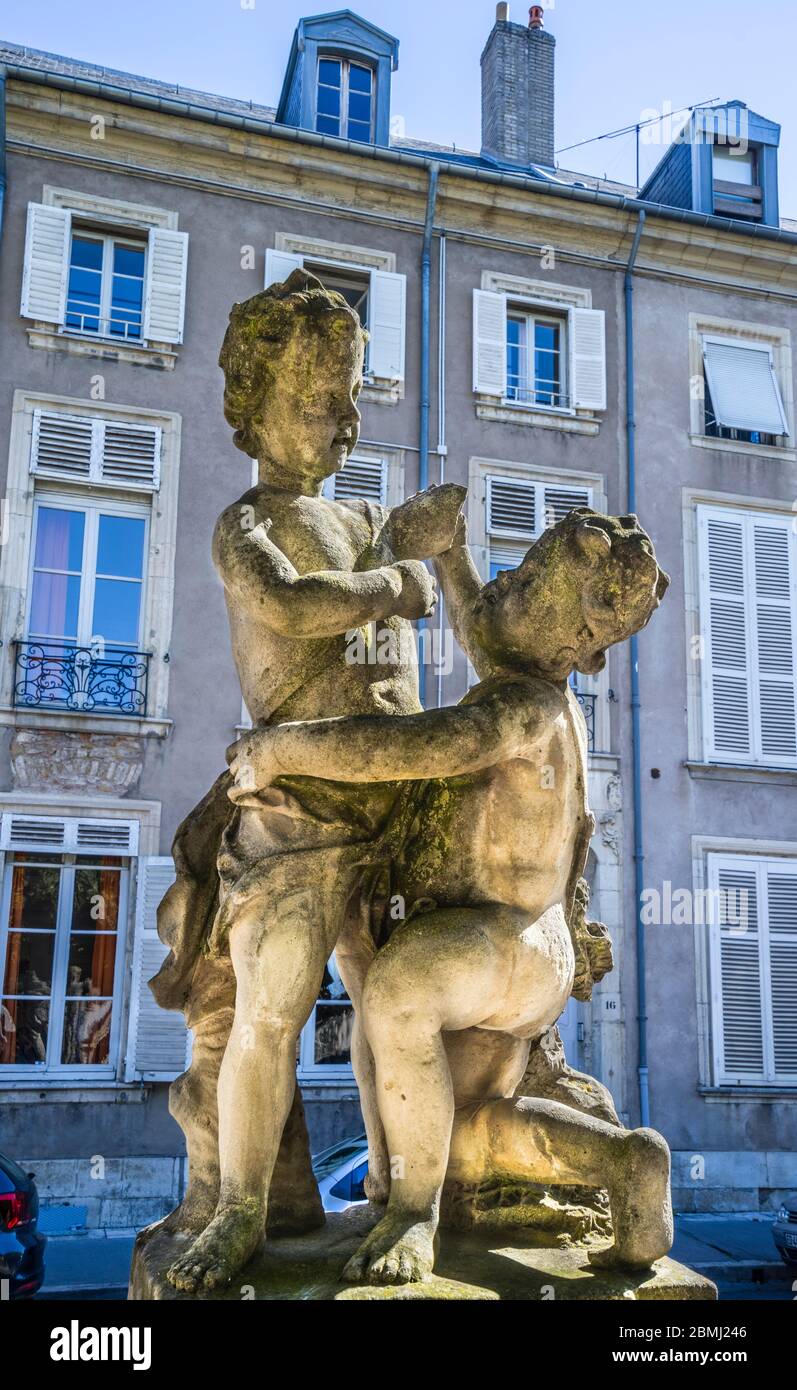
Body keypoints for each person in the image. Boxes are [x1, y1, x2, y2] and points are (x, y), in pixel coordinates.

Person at [228, 509, 674, 1284]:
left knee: (398, 995)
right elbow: (483, 628)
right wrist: (453, 550)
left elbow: (412, 748)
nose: (504, 583)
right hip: (507, 951)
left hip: (505, 941)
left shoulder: (521, 709)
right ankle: (624, 1163)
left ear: (577, 643)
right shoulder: (529, 681)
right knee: (468, 1131)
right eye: (514, 568)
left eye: (529, 582)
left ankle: (410, 1211)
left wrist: (279, 749)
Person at [162, 269, 464, 1293]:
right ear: (251, 408)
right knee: (271, 1013)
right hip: (297, 815)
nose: (341, 419)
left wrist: (425, 547)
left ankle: (403, 1194)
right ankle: (242, 1209)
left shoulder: (369, 516)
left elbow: (405, 648)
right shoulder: (243, 523)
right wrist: (392, 579)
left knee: (399, 1012)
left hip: (394, 809)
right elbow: (288, 607)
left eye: (350, 397)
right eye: (314, 396)